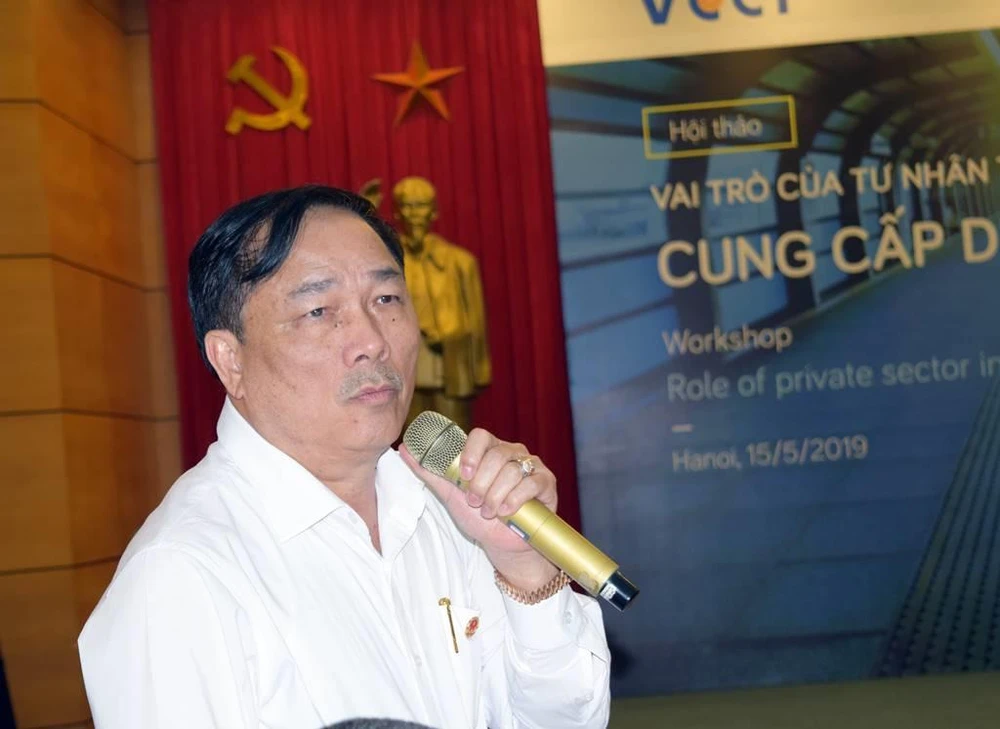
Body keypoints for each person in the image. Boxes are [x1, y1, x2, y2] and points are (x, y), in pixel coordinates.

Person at [77, 186, 610, 729]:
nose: (372, 341)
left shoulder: (447, 507)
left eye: (387, 299)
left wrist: (525, 571)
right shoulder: (179, 574)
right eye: (318, 310)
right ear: (230, 360)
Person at [393, 177, 491, 432]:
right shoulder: (389, 262)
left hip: (449, 366)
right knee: (413, 442)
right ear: (397, 212)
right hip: (406, 368)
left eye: (421, 205)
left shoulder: (460, 263)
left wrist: (480, 369)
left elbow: (476, 320)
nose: (415, 214)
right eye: (408, 206)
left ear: (434, 211)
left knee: (454, 440)